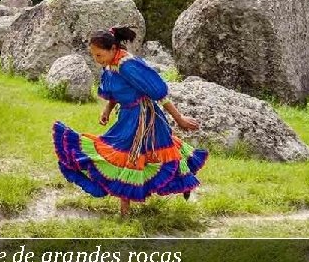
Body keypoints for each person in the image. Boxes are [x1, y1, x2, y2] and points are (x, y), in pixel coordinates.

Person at [52, 26, 208, 216]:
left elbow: (158, 93)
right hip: (127, 116)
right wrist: (108, 109)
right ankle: (132, 205)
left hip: (144, 118)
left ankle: (130, 209)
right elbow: (116, 91)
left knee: (137, 155)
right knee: (129, 155)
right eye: (93, 55)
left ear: (112, 49)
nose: (96, 60)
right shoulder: (111, 64)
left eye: (99, 55)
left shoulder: (128, 65)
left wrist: (179, 118)